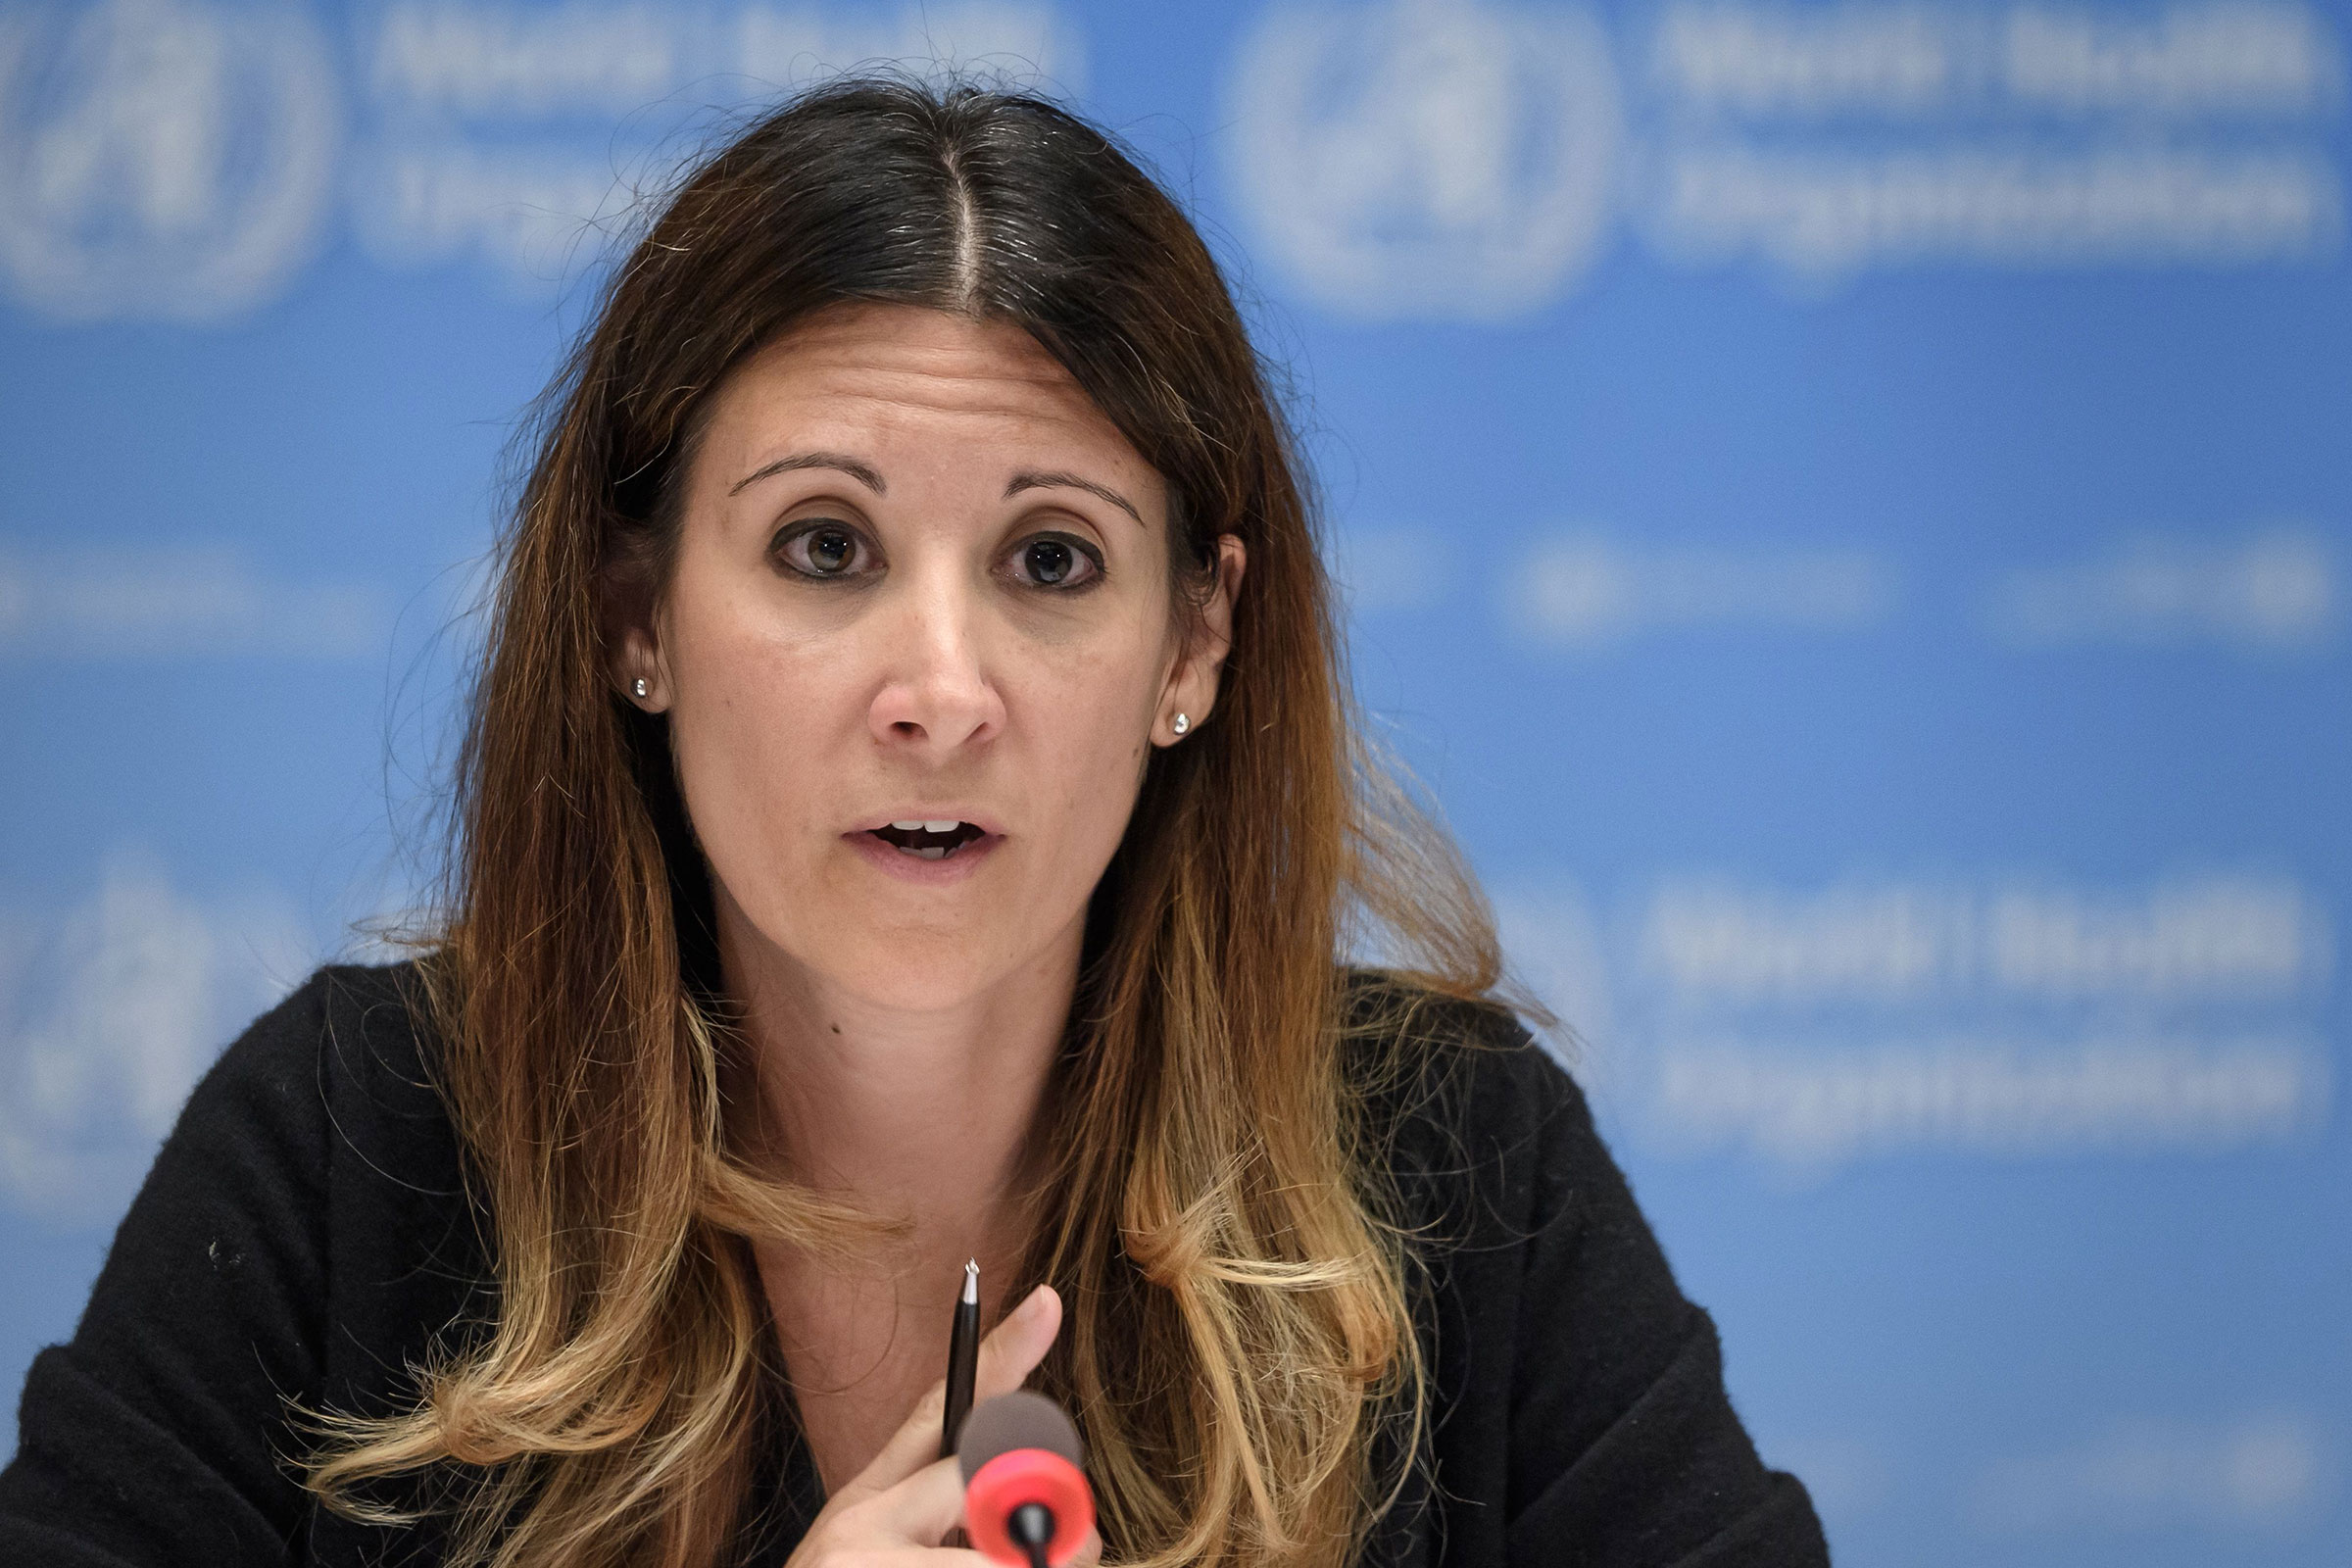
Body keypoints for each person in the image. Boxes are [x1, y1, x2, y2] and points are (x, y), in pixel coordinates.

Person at [0, 80, 1828, 1568]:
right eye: (824, 548)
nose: (940, 689)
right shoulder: (351, 1152)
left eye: (1050, 562)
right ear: (636, 616)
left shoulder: (1450, 1170)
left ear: (1193, 641)